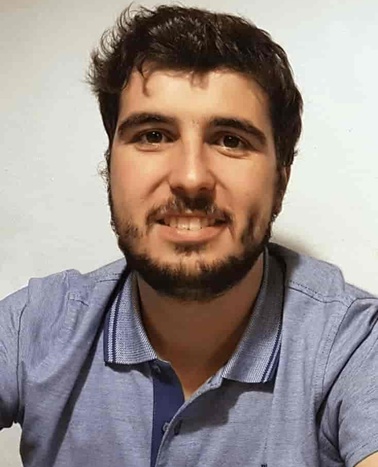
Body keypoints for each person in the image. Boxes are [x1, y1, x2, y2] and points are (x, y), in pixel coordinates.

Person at [1, 4, 377, 467]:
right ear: (110, 166)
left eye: (231, 140)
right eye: (153, 135)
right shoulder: (34, 327)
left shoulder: (354, 345)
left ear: (281, 179)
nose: (192, 178)